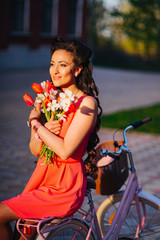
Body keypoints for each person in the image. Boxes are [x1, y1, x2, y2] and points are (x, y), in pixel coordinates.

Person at [0, 36, 102, 240]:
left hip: (64, 186)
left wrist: (37, 124)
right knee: (22, 233)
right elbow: (35, 150)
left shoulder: (86, 103)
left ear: (77, 69)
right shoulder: (47, 98)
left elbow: (65, 150)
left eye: (62, 65)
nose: (54, 71)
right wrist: (42, 126)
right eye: (52, 64)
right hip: (43, 177)